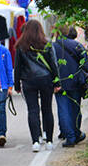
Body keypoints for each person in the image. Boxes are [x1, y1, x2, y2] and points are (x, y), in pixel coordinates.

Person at [14, 19, 60, 152]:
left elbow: (17, 67)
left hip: (28, 80)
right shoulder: (46, 44)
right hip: (45, 79)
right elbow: (53, 64)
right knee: (47, 109)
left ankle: (35, 141)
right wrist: (57, 82)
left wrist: (17, 84)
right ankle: (49, 141)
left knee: (33, 110)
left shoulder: (21, 46)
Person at [53, 25, 88, 147]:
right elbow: (85, 64)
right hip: (76, 82)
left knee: (63, 110)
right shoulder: (77, 45)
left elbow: (50, 66)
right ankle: (76, 133)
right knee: (75, 109)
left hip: (60, 82)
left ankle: (70, 137)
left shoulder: (53, 47)